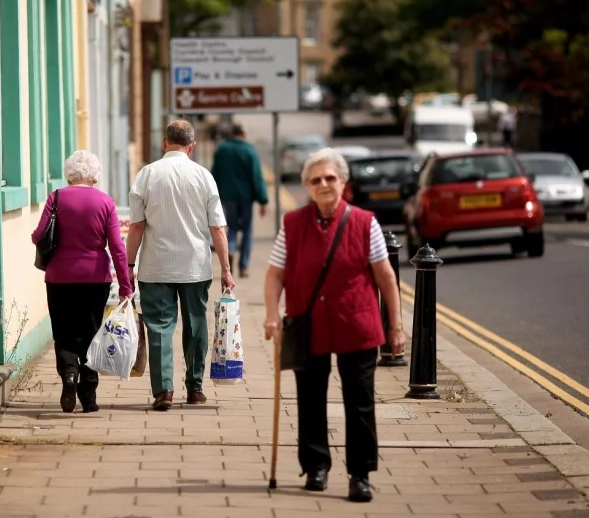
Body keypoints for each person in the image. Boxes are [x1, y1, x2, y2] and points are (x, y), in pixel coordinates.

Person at [262, 147, 405, 502]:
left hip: (356, 324)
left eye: (330, 178)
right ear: (307, 186)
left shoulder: (364, 222)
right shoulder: (293, 224)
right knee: (310, 400)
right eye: (316, 180)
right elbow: (274, 274)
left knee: (359, 402)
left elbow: (385, 276)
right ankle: (316, 467)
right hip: (307, 324)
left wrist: (396, 326)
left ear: (342, 181)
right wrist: (270, 313)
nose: (324, 184)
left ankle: (360, 474)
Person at [126, 119, 235, 411]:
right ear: (192, 146)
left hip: (155, 266)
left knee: (159, 327)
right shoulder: (203, 176)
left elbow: (136, 226)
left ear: (165, 143)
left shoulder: (146, 175)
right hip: (195, 266)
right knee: (196, 325)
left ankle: (163, 390)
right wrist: (225, 268)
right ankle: (195, 387)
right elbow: (218, 229)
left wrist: (129, 263)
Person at [31, 150, 132, 414]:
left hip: (59, 277)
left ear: (70, 174)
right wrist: (125, 286)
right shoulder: (105, 202)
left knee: (63, 333)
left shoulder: (56, 198)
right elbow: (117, 249)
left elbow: (39, 235)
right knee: (91, 333)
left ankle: (68, 376)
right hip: (95, 278)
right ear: (95, 176)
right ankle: (89, 397)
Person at [210, 123, 269, 278]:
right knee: (247, 230)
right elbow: (257, 177)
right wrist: (263, 200)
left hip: (228, 197)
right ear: (243, 134)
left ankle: (231, 250)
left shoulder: (222, 150)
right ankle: (244, 267)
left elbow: (215, 173)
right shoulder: (249, 150)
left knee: (233, 227)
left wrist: (214, 196)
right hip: (246, 198)